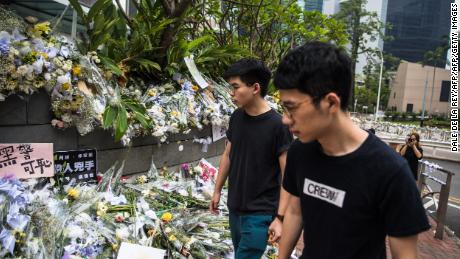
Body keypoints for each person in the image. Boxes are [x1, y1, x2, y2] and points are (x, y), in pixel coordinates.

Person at [274, 42, 430, 259]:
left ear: (331, 102)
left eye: (291, 108)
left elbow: (404, 254)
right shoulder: (300, 152)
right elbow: (295, 210)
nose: (285, 119)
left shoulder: (391, 171)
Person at [209, 58, 293, 258]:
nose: (231, 93)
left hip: (260, 214)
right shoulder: (237, 118)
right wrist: (217, 190)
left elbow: (288, 175)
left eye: (236, 87)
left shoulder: (278, 125)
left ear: (255, 88)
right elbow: (228, 154)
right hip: (235, 208)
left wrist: (280, 217)